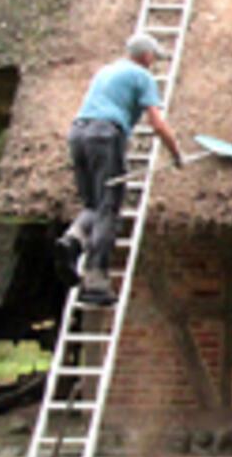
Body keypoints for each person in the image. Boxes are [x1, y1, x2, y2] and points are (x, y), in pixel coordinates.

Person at [63, 32, 185, 305]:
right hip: (105, 136)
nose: (154, 62)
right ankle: (96, 281)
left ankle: (71, 241)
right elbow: (157, 123)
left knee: (92, 204)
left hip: (77, 135)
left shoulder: (106, 71)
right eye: (154, 57)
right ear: (146, 56)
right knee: (109, 207)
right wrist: (176, 154)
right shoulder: (142, 77)